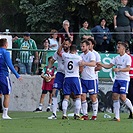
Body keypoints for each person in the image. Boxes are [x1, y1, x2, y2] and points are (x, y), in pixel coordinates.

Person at [98, 41, 133, 121]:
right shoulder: (116, 58)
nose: (117, 49)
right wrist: (101, 64)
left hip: (124, 79)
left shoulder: (127, 57)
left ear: (123, 48)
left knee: (123, 97)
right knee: (115, 96)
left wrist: (119, 69)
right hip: (117, 79)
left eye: (119, 47)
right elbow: (109, 66)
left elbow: (128, 68)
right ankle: (117, 117)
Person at [48, 38, 71, 119]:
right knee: (54, 92)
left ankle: (65, 114)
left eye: (66, 44)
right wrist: (48, 69)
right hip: (59, 74)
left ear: (70, 45)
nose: (65, 46)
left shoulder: (72, 54)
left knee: (68, 94)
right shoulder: (58, 53)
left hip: (68, 75)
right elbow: (52, 61)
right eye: (64, 44)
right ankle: (54, 114)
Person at [57, 44, 82, 119]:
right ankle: (77, 114)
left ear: (70, 50)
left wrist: (61, 45)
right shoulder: (78, 57)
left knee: (66, 96)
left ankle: (64, 114)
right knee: (78, 96)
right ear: (76, 50)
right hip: (75, 78)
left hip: (67, 77)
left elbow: (59, 52)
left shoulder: (65, 55)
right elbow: (81, 68)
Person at [0, 38, 22, 119]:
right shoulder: (5, 52)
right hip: (3, 75)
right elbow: (9, 64)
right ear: (5, 44)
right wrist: (17, 75)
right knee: (7, 94)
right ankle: (5, 114)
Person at [79, 39, 98, 120]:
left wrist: (85, 63)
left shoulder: (91, 54)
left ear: (87, 46)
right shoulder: (81, 56)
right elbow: (80, 66)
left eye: (83, 46)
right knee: (82, 96)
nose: (82, 48)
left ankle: (94, 115)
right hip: (83, 78)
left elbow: (94, 64)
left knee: (93, 97)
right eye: (81, 46)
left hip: (91, 79)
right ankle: (85, 114)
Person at [126, 48, 133, 119]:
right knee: (129, 97)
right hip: (127, 79)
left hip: (130, 79)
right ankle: (131, 113)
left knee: (130, 96)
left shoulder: (129, 58)